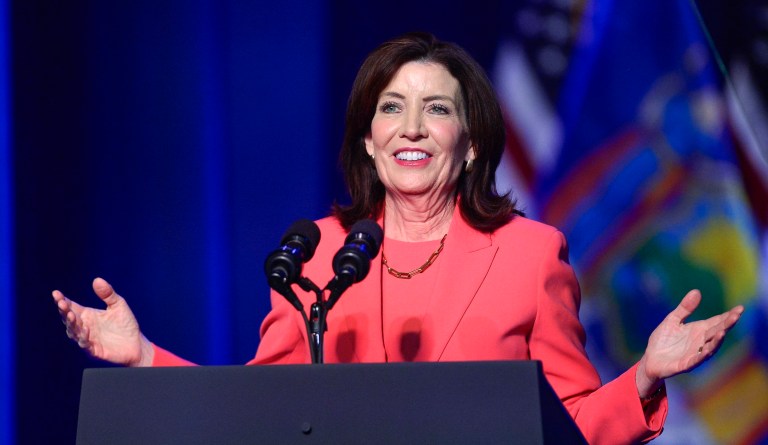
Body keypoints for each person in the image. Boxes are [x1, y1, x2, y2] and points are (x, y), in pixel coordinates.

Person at [52, 32, 744, 444]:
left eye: (436, 109)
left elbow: (570, 427)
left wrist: (647, 372)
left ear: (469, 144)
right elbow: (258, 416)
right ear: (369, 139)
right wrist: (145, 358)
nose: (411, 126)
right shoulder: (316, 253)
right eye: (391, 108)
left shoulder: (530, 254)